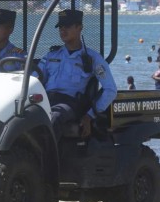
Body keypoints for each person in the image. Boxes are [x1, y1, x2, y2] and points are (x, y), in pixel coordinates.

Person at [37, 9, 117, 140]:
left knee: (54, 118)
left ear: (80, 27)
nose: (63, 31)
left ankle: (47, 160)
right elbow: (36, 78)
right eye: (60, 27)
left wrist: (90, 115)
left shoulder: (92, 58)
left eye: (67, 27)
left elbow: (110, 90)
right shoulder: (51, 55)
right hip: (46, 100)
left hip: (70, 103)